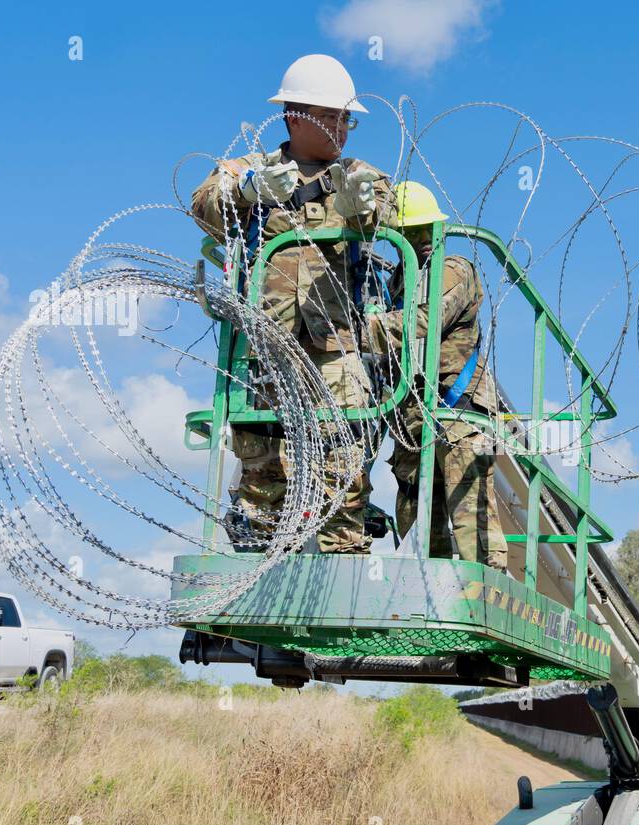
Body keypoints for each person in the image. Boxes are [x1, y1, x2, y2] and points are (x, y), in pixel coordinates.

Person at [190, 54, 390, 553]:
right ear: (297, 115)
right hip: (264, 342)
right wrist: (247, 191)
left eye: (350, 119)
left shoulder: (357, 173)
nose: (346, 128)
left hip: (336, 341)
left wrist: (364, 204)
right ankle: (258, 558)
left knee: (342, 454)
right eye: (338, 117)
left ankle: (344, 555)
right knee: (264, 453)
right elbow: (204, 208)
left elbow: (388, 208)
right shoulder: (248, 170)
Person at [362, 181, 508, 571]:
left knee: (470, 510)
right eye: (411, 232)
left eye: (427, 229)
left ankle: (483, 590)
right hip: (412, 414)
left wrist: (360, 331)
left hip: (458, 408)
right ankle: (422, 589)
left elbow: (424, 320)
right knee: (418, 521)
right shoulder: (398, 281)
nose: (423, 240)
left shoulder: (453, 269)